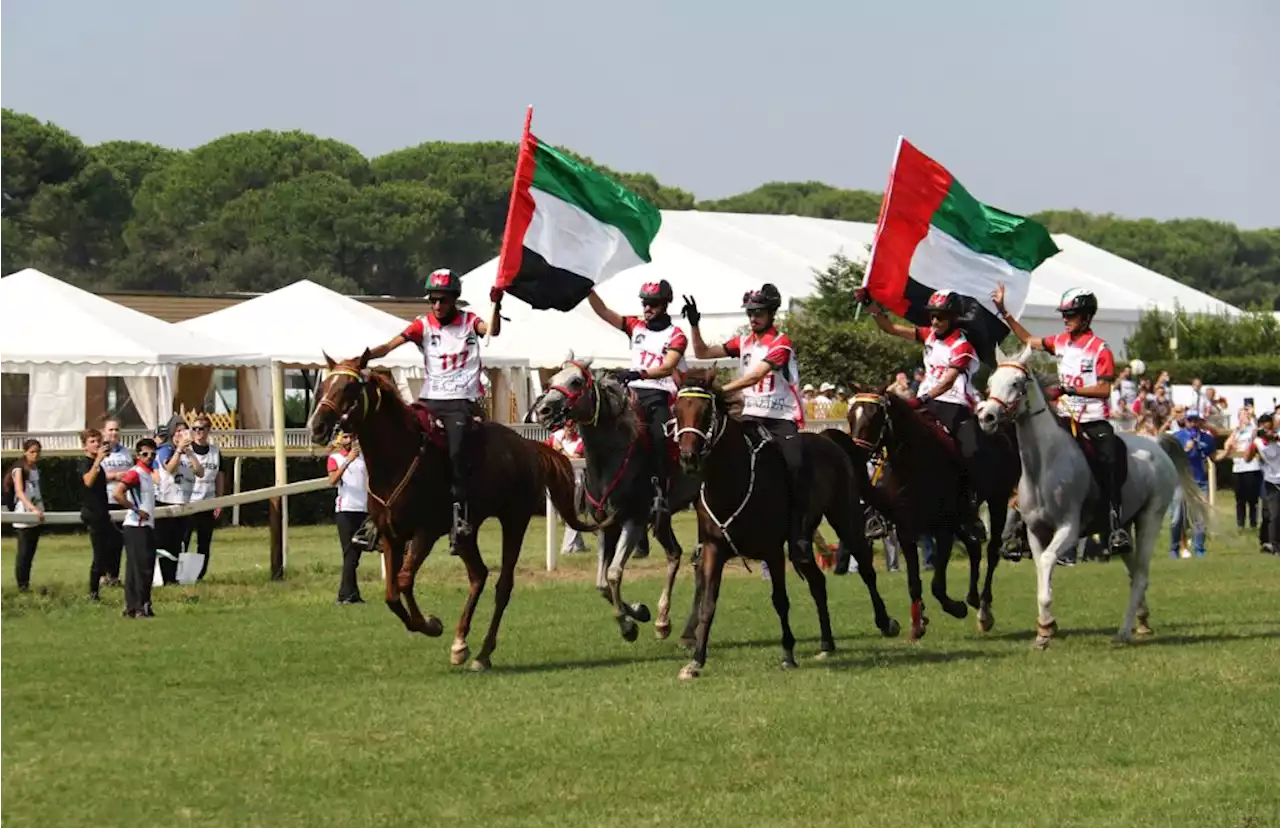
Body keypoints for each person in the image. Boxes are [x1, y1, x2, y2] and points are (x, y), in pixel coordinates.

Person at [361, 268, 502, 553]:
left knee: (456, 453)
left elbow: (493, 330)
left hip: (460, 402)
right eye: (433, 300)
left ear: (454, 300)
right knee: (395, 442)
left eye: (443, 300)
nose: (437, 305)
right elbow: (390, 345)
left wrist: (496, 304)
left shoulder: (469, 322)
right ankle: (375, 519)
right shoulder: (422, 325)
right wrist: (363, 357)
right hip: (429, 400)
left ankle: (460, 517)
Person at [992, 283, 1131, 555]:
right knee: (1029, 455)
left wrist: (1069, 389)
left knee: (1109, 456)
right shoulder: (1060, 342)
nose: (1066, 319)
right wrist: (1005, 313)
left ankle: (1115, 525)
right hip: (1063, 417)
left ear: (1087, 317)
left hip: (1092, 419)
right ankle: (1020, 524)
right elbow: (1029, 341)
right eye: (1064, 314)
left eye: (1071, 314)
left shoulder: (1100, 349)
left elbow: (1104, 389)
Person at [684, 283, 812, 571]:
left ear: (771, 313)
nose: (753, 318)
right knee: (714, 456)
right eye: (751, 313)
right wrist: (694, 325)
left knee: (795, 465)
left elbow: (756, 376)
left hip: (781, 417)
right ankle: (706, 535)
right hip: (751, 416)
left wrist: (719, 391)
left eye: (759, 312)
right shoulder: (743, 342)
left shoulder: (782, 342)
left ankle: (799, 536)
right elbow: (703, 352)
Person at [865, 289, 986, 540]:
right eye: (932, 316)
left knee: (969, 450)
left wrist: (921, 398)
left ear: (952, 318)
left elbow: (948, 381)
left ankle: (969, 511)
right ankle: (878, 508)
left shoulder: (962, 345)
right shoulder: (928, 335)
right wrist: (872, 307)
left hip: (953, 405)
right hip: (923, 404)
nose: (934, 321)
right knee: (894, 442)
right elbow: (891, 329)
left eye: (940, 317)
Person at [586, 280, 688, 516]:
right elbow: (603, 311)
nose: (647, 308)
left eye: (652, 304)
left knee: (660, 440)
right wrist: (587, 290)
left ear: (664, 305)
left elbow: (667, 367)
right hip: (631, 394)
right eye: (645, 303)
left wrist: (638, 372)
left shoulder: (676, 335)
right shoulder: (636, 326)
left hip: (658, 394)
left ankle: (661, 494)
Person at [154, 418, 204, 584]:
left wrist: (189, 452)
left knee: (178, 543)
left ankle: (174, 577)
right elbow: (169, 468)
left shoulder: (189, 452)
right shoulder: (165, 449)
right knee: (164, 543)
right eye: (177, 431)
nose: (181, 434)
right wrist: (179, 450)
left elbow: (200, 471)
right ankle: (164, 577)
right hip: (166, 501)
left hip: (183, 503)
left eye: (184, 430)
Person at [115, 438, 159, 618]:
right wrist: (136, 510)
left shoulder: (147, 474)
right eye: (145, 454)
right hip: (137, 526)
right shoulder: (136, 473)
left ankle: (132, 607)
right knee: (142, 567)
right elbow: (117, 493)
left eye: (152, 454)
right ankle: (141, 606)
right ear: (137, 455)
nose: (149, 457)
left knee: (135, 568)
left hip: (144, 525)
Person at [327, 432, 368, 604]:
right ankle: (344, 594)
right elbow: (333, 480)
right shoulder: (335, 458)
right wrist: (348, 460)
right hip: (346, 510)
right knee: (349, 553)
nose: (350, 440)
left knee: (355, 555)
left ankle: (351, 593)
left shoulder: (363, 459)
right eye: (345, 437)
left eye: (352, 437)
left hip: (363, 509)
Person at [1170, 411, 1214, 558]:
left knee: (1200, 518)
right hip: (1181, 481)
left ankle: (1199, 548)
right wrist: (1185, 450)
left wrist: (1227, 452)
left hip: (1200, 481)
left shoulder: (1207, 439)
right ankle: (1174, 548)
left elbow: (1213, 457)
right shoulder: (1177, 437)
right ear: (1185, 421)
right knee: (1177, 517)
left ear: (1200, 422)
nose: (1193, 424)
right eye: (1190, 420)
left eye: (1196, 420)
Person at [78, 428, 115, 601]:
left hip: (102, 512)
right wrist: (98, 461)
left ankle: (109, 580)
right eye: (92, 441)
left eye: (98, 441)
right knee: (99, 554)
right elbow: (88, 481)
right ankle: (93, 593)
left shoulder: (98, 464)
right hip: (92, 513)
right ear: (85, 446)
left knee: (110, 549)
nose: (97, 444)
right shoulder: (85, 463)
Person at [185, 415, 222, 581]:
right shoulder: (187, 451)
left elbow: (220, 477)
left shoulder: (215, 452)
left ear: (208, 430)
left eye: (202, 428)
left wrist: (219, 501)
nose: (198, 432)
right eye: (195, 428)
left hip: (208, 502)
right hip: (189, 502)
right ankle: (182, 574)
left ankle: (199, 575)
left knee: (204, 542)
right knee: (184, 540)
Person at [97, 418, 132, 585]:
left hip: (122, 500)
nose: (114, 433)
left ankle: (114, 575)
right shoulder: (100, 452)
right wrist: (114, 476)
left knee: (118, 540)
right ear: (104, 432)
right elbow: (93, 476)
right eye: (110, 430)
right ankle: (102, 574)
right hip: (106, 500)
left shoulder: (125, 452)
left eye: (116, 429)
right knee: (104, 540)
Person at [8, 439, 44, 591]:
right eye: (32, 452)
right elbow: (19, 492)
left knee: (30, 553)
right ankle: (22, 585)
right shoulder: (19, 469)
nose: (35, 455)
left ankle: (26, 583)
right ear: (25, 452)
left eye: (37, 451)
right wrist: (32, 509)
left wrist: (40, 508)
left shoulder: (36, 469)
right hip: (24, 513)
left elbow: (36, 491)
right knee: (23, 552)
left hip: (37, 513)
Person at [549, 421, 587, 555]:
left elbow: (574, 458)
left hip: (575, 479)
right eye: (567, 426)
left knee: (572, 512)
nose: (570, 429)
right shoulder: (557, 437)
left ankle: (567, 547)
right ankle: (579, 545)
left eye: (572, 426)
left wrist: (560, 450)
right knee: (566, 513)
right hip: (560, 479)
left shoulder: (580, 442)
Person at [1222, 407, 1261, 531]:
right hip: (1238, 468)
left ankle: (1253, 523)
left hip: (1252, 467)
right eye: (1242, 415)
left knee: (1252, 498)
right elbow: (1226, 445)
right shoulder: (1236, 431)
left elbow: (1256, 434)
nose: (1244, 417)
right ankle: (1240, 524)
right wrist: (1234, 437)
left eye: (1246, 415)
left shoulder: (1252, 429)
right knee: (1240, 498)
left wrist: (1253, 416)